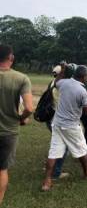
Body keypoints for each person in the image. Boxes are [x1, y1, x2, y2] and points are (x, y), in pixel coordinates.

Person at [42, 65, 87, 191]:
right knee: (82, 149)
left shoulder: (64, 83)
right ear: (85, 77)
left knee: (54, 152)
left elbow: (56, 81)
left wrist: (62, 71)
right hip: (71, 125)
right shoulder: (83, 90)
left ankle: (47, 182)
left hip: (57, 123)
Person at [0, 45, 33, 204]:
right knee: (2, 169)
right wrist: (21, 118)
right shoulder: (22, 78)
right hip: (8, 131)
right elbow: (28, 108)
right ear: (11, 58)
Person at [45, 65, 69, 180]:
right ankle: (56, 172)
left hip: (51, 118)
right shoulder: (62, 85)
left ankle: (50, 167)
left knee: (55, 144)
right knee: (64, 146)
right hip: (58, 119)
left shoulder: (53, 82)